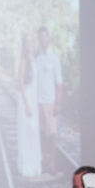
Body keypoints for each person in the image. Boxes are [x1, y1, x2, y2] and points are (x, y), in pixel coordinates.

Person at [33, 27, 63, 174]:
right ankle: (44, 160)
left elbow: (59, 83)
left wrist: (57, 103)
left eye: (45, 36)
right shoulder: (37, 60)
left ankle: (52, 162)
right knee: (41, 133)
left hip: (50, 101)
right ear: (39, 40)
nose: (43, 39)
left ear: (48, 39)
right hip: (39, 102)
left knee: (52, 134)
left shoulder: (54, 59)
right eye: (41, 37)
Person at [15, 33, 41, 179]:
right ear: (24, 45)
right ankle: (27, 167)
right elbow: (21, 84)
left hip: (34, 101)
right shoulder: (24, 60)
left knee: (33, 134)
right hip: (27, 101)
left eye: (32, 41)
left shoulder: (34, 59)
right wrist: (27, 105)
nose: (30, 44)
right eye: (27, 42)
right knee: (27, 133)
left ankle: (34, 166)